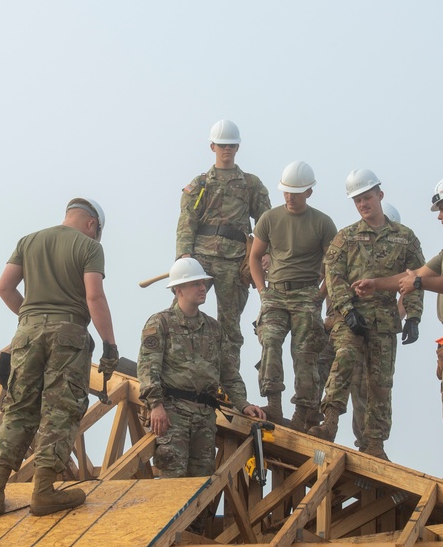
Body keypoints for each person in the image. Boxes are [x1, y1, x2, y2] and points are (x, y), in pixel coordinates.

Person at [354, 175, 443, 493]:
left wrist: (419, 285)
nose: (439, 215)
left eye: (442, 207)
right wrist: (377, 284)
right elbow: (414, 275)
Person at [0, 197, 119, 516]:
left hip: (26, 333)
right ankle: (43, 491)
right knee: (60, 409)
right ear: (91, 224)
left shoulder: (28, 241)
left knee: (18, 408)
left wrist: (31, 320)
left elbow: (4, 288)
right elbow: (94, 295)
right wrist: (109, 344)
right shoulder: (89, 247)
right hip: (68, 334)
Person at [308, 170, 424, 461]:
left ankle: (375, 443)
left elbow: (417, 278)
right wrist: (346, 311)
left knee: (380, 383)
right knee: (344, 361)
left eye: (367, 197)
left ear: (380, 195)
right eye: (357, 200)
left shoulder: (405, 238)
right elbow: (333, 278)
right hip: (353, 319)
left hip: (384, 321)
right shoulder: (345, 238)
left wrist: (413, 316)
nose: (363, 204)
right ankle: (329, 422)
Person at [138, 257, 266, 479]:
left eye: (203, 283)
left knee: (201, 488)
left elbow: (228, 373)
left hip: (205, 419)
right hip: (173, 415)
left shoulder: (214, 329)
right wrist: (155, 405)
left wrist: (243, 404)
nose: (203, 288)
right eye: (196, 283)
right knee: (172, 486)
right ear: (179, 289)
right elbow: (148, 368)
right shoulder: (160, 323)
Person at [249, 161, 337, 431]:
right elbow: (254, 256)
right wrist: (263, 291)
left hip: (306, 293)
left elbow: (333, 265)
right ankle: (273, 403)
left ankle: (302, 412)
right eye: (286, 191)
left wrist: (320, 296)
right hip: (275, 292)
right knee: (270, 341)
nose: (289, 197)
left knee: (306, 353)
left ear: (309, 192)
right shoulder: (270, 219)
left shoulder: (322, 223)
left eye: (295, 192)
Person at [176, 119, 271, 366]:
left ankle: (228, 383)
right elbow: (187, 219)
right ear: (212, 147)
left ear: (237, 147)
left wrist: (266, 253)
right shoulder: (200, 184)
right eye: (221, 145)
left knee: (229, 326)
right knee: (180, 315)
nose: (226, 149)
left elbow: (266, 222)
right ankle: (176, 369)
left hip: (235, 260)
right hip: (201, 259)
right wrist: (184, 256)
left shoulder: (251, 184)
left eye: (231, 145)